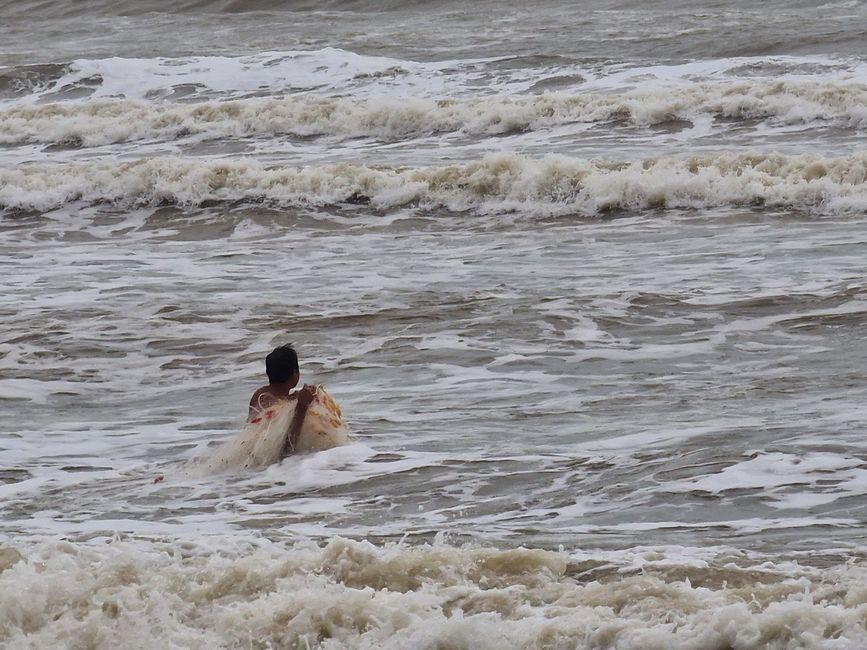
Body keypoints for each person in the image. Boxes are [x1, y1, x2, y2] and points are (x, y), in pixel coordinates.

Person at [248, 344, 317, 454]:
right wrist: (301, 407)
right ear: (295, 374)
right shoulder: (266, 400)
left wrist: (298, 397)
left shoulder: (260, 394)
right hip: (272, 465)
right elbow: (286, 450)